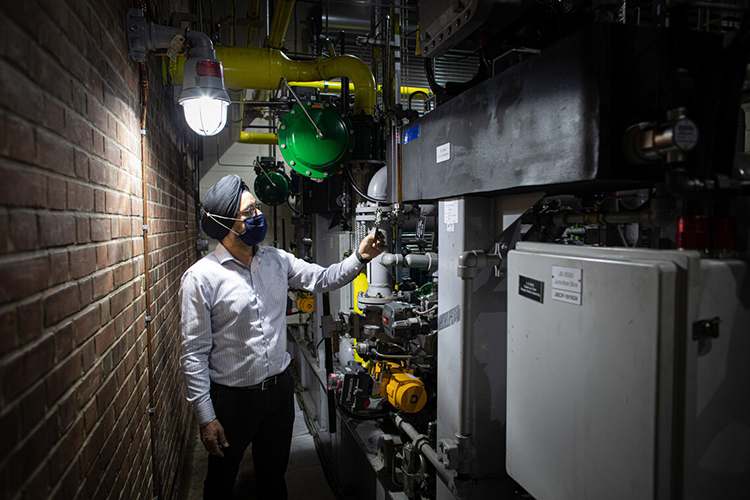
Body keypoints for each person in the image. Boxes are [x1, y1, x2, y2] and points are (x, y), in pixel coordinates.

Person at [180, 174, 385, 500]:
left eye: (256, 208)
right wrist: (206, 418)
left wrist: (359, 258)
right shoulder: (201, 278)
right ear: (225, 223)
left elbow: (322, 279)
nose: (257, 215)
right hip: (231, 401)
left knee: (273, 478)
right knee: (220, 481)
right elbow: (194, 353)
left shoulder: (276, 260)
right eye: (248, 212)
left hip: (277, 394)